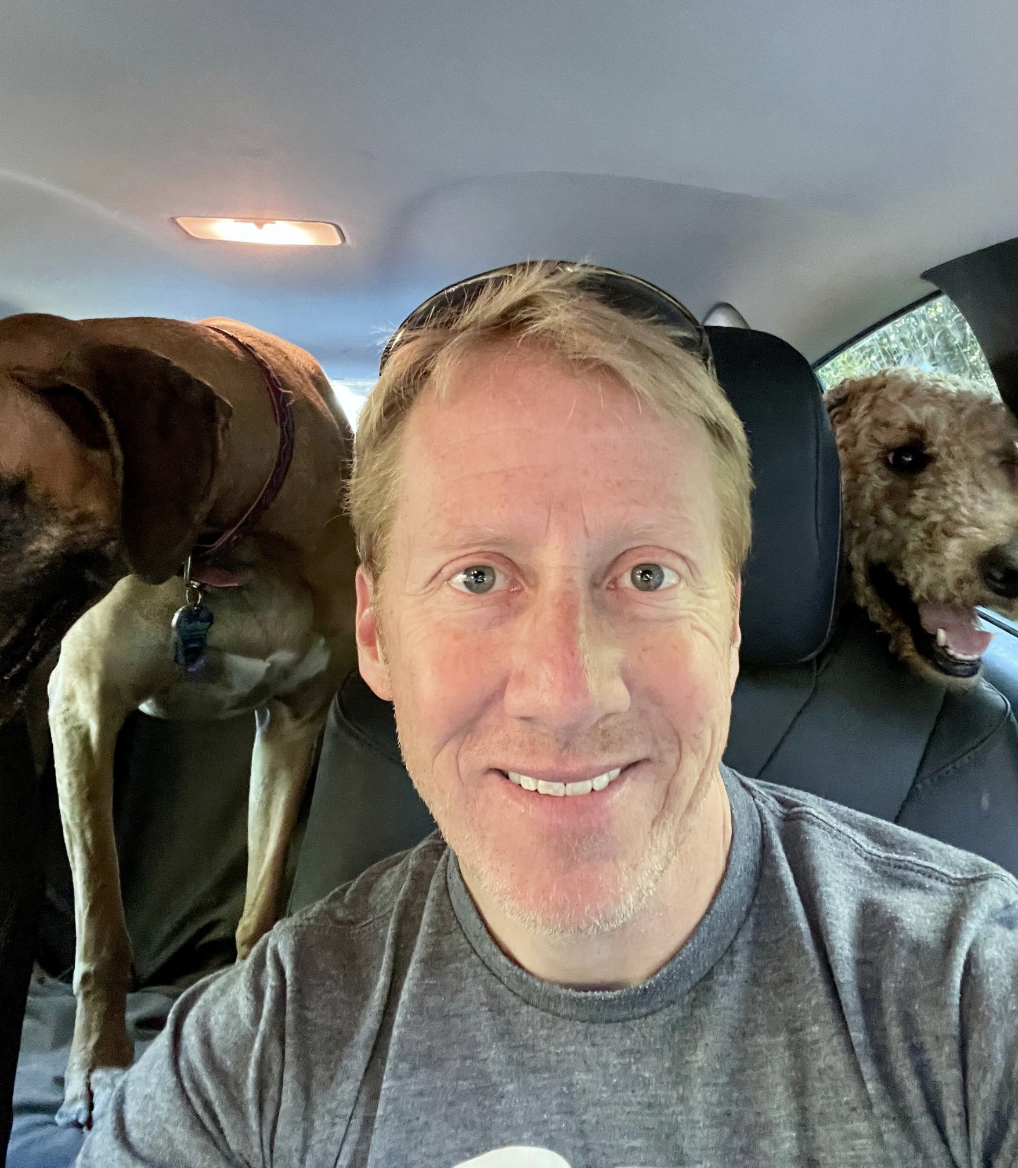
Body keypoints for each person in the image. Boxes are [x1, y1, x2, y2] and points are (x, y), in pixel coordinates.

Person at [79, 262, 1018, 1168]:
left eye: (648, 574)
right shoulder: (249, 1061)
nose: (566, 694)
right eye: (478, 577)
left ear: (731, 619)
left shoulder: (972, 998)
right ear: (374, 631)